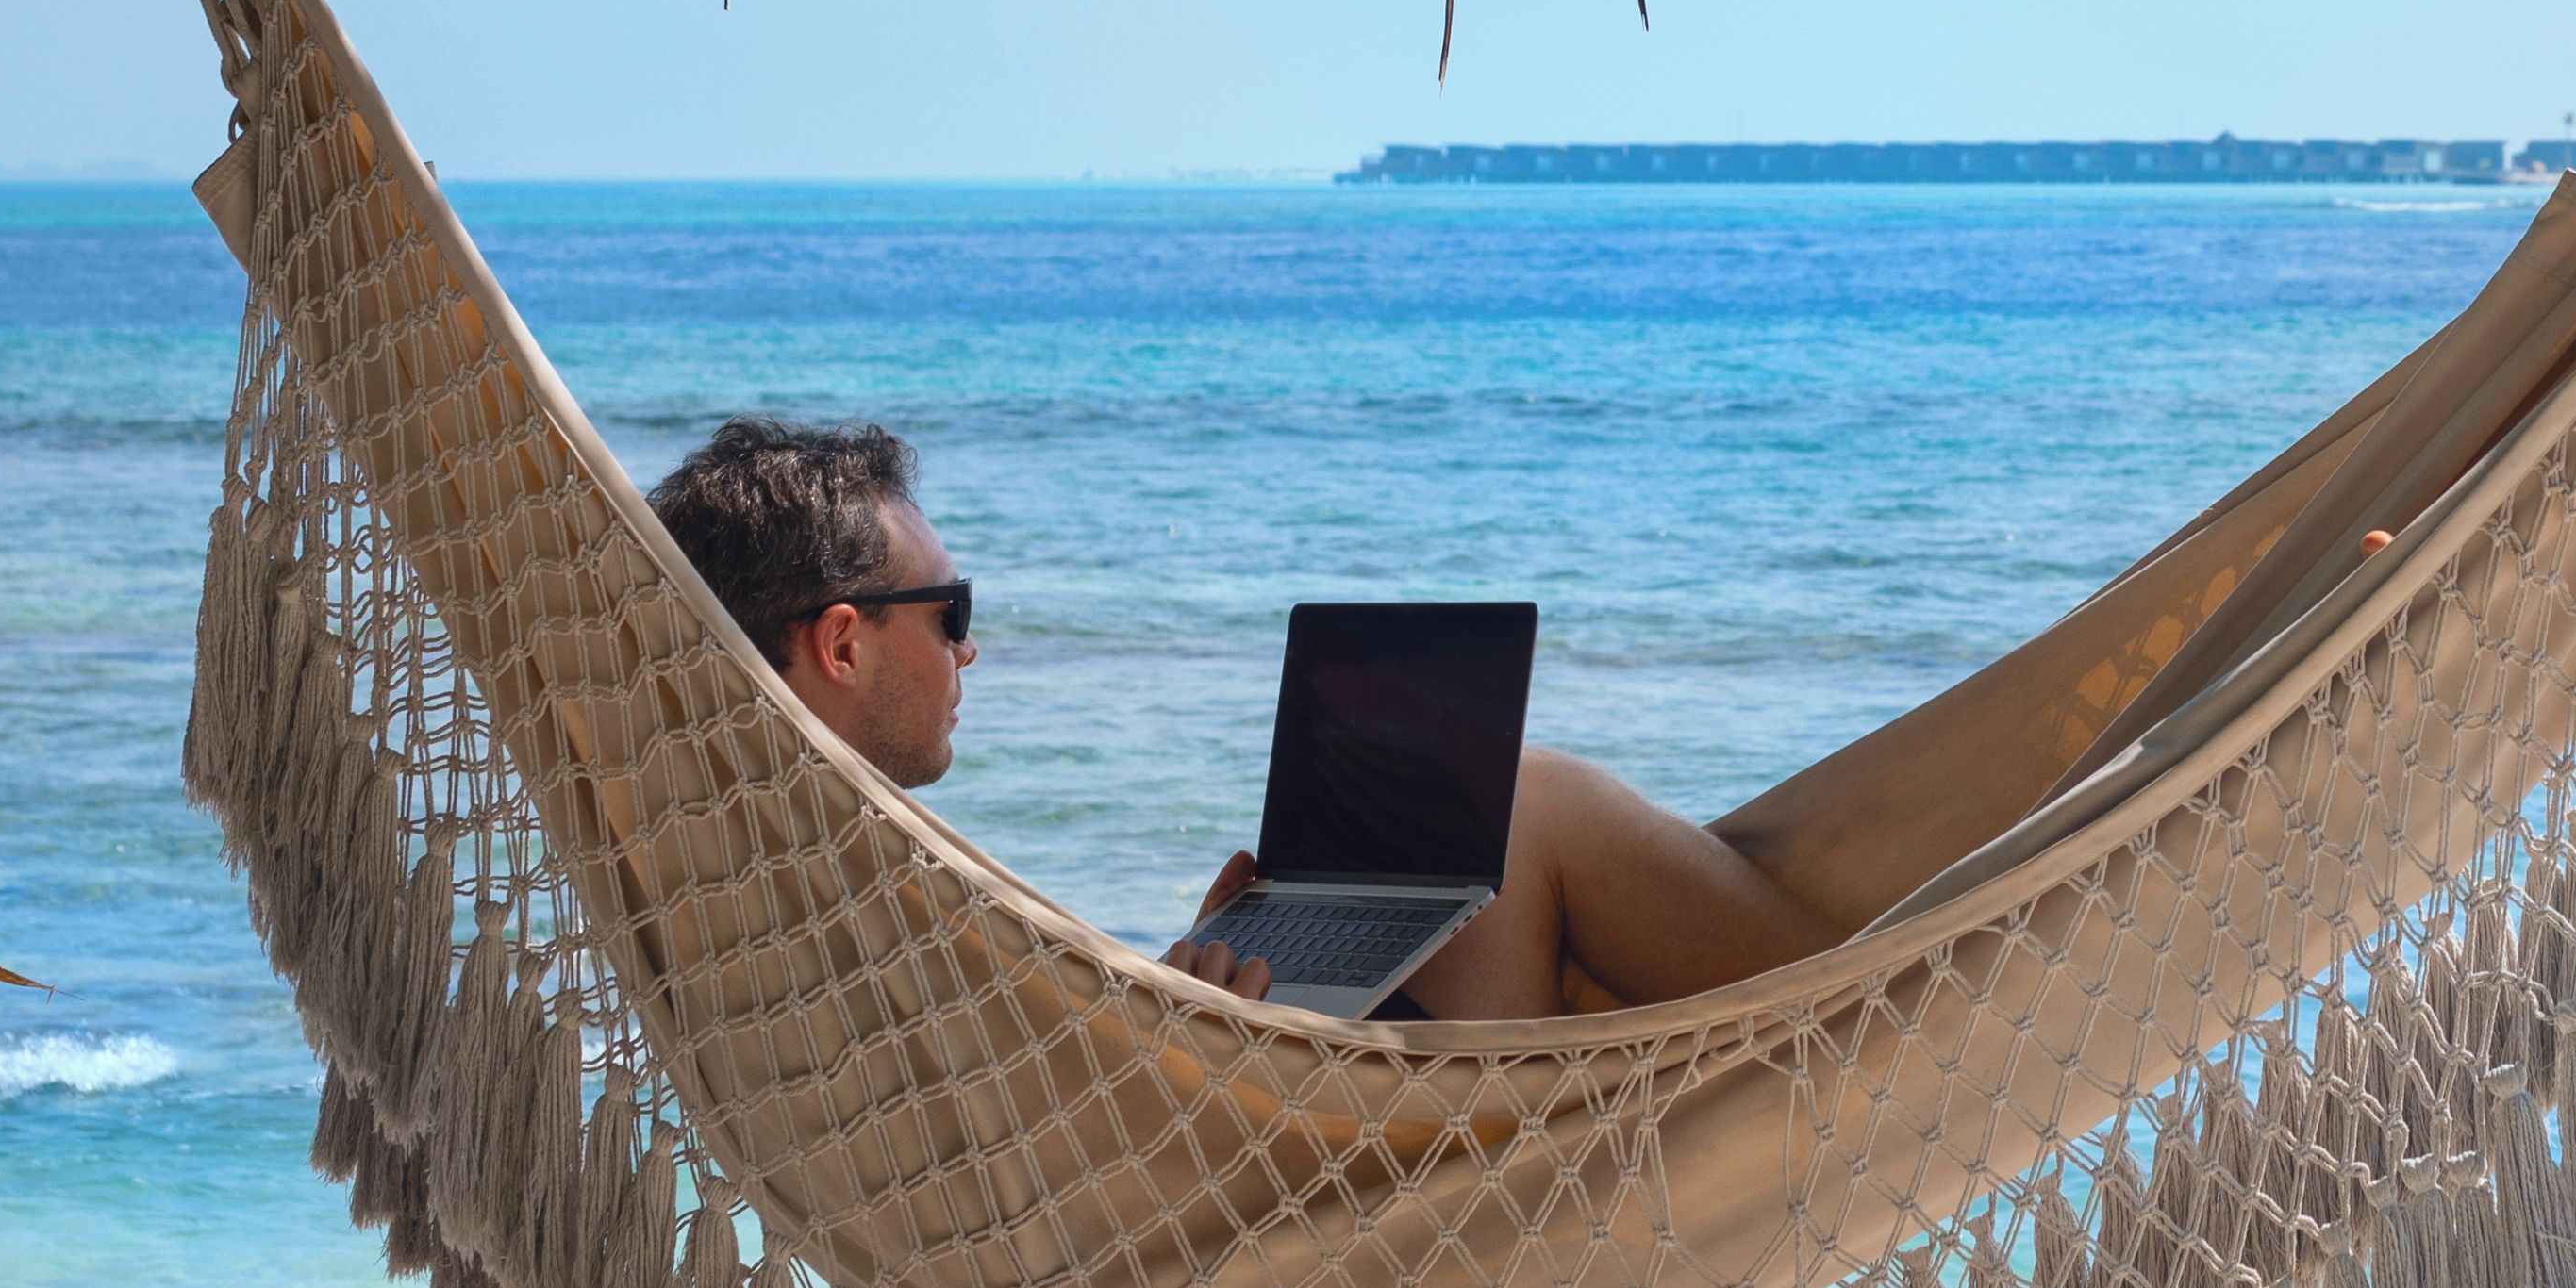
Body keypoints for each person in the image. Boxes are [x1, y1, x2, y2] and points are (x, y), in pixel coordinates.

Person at [644, 417, 1833, 1022]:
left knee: (1477, 856)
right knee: (1528, 801)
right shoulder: (844, 881)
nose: (969, 647)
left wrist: (1185, 993)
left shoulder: (733, 861)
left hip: (1206, 1165)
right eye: (949, 611)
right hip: (1287, 1223)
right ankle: (1892, 997)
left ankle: (1889, 986)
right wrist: (1187, 1025)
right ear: (843, 643)